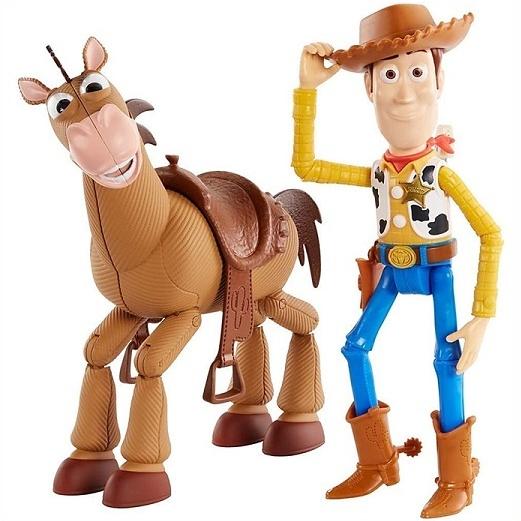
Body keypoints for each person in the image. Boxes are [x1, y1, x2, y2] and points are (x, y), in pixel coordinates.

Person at [291, 4, 502, 518]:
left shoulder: (440, 173)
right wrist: (307, 90)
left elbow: (491, 233)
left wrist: (482, 315)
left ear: (439, 78)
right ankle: (376, 462)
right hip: (390, 270)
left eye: (417, 72)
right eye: (389, 75)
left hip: (437, 270)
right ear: (369, 88)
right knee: (354, 347)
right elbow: (306, 166)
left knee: (446, 360)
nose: (404, 93)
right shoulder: (378, 171)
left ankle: (458, 477)